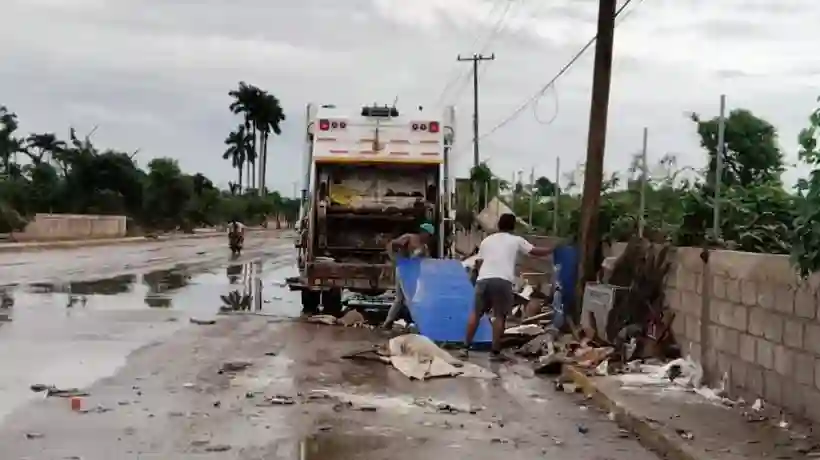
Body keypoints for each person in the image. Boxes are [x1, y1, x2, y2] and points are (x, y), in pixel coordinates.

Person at [463, 213, 553, 360]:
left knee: (476, 314)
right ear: (513, 226)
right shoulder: (516, 240)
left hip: (483, 279)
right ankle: (495, 352)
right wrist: (552, 249)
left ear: (499, 225)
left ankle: (465, 348)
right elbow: (535, 252)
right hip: (502, 281)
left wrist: (478, 278)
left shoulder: (487, 240)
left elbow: (478, 263)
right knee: (499, 316)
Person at [381, 222, 435, 329]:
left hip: (413, 274)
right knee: (409, 298)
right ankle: (418, 323)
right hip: (403, 271)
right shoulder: (409, 238)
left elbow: (427, 262)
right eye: (427, 235)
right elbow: (391, 245)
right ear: (423, 232)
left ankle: (388, 322)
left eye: (430, 237)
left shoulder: (424, 247)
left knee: (400, 299)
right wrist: (396, 259)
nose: (428, 238)